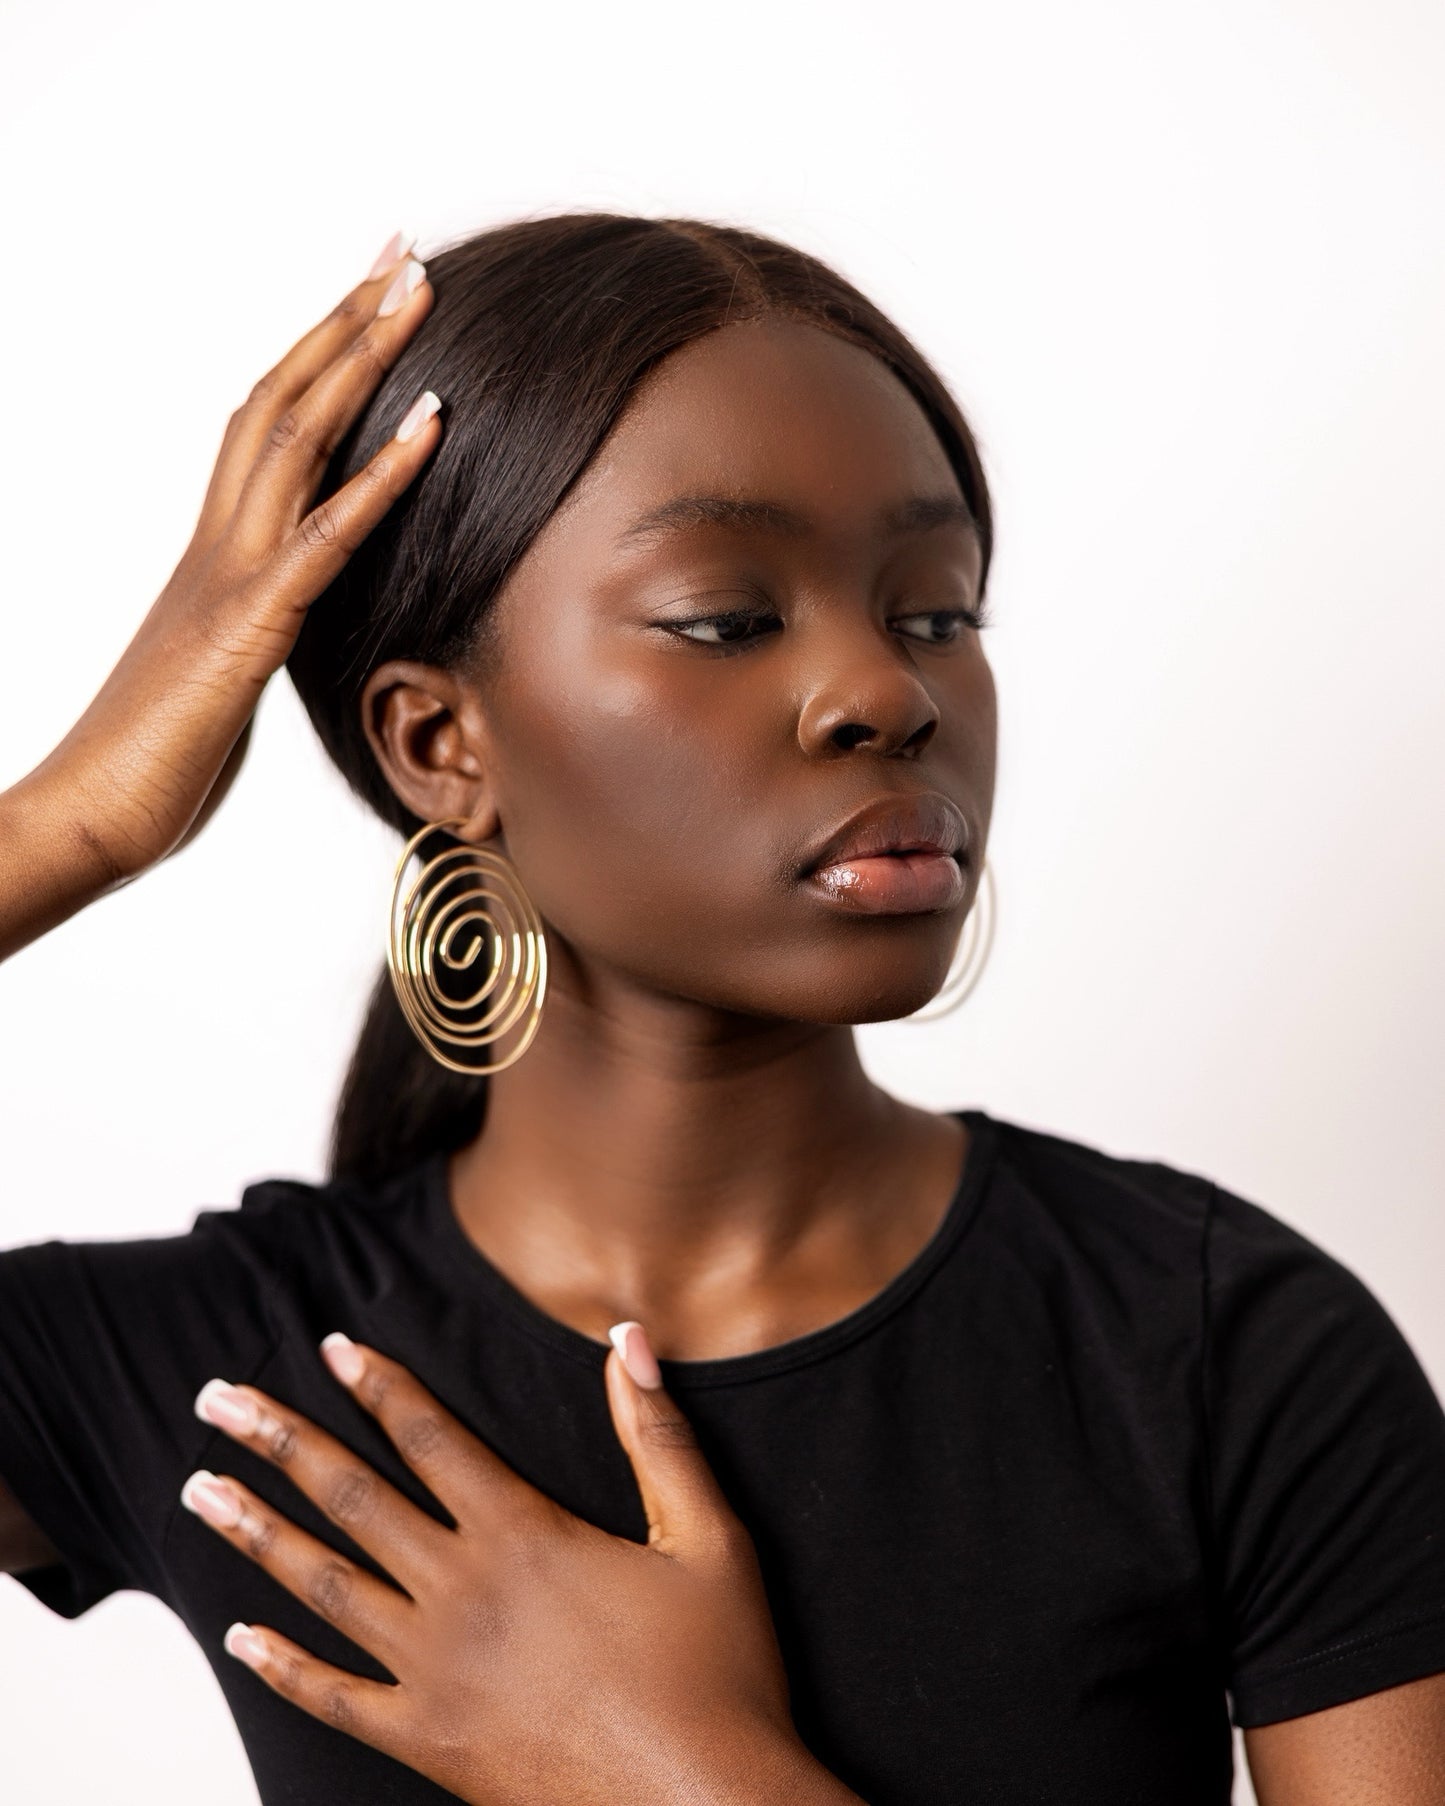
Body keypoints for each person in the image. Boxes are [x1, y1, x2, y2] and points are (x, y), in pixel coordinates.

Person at [1, 212, 1443, 1806]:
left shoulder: (1217, 1345)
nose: (888, 693)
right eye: (727, 619)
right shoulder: (250, 1383)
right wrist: (71, 823)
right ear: (435, 743)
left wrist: (677, 1771)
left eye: (935, 613)